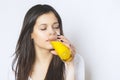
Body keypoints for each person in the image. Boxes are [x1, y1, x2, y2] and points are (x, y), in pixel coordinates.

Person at [11, 4, 85, 80]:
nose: (52, 32)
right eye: (43, 28)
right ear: (31, 34)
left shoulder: (76, 61)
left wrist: (70, 65)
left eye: (56, 27)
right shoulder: (16, 64)